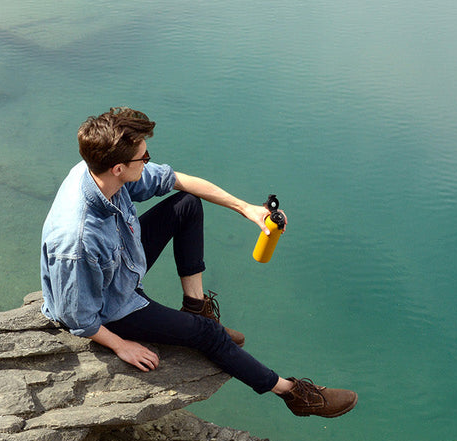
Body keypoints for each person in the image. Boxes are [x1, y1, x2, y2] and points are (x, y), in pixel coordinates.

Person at [39, 107, 357, 418]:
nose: (148, 161)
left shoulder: (100, 171)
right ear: (119, 168)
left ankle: (195, 306)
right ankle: (293, 394)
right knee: (208, 334)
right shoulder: (77, 240)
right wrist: (120, 345)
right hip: (110, 307)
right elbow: (75, 315)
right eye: (143, 157)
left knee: (187, 205)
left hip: (120, 266)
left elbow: (179, 181)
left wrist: (246, 208)